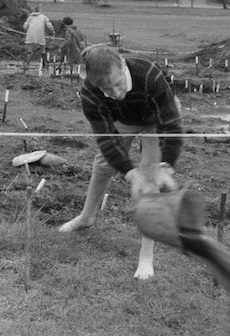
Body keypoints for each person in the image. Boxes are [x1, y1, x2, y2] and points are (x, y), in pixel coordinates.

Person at [58, 45, 182, 279]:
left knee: (148, 180)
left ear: (123, 66)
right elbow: (107, 141)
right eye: (107, 88)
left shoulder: (149, 75)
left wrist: (168, 162)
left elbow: (171, 122)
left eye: (118, 83)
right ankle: (86, 218)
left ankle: (146, 257)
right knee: (103, 164)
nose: (115, 92)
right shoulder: (90, 93)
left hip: (156, 119)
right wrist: (127, 171)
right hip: (124, 119)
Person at [22, 5, 53, 69]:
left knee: (30, 50)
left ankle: (27, 65)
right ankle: (45, 65)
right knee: (43, 49)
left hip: (30, 35)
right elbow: (49, 26)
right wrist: (52, 30)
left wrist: (27, 30)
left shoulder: (30, 17)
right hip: (40, 35)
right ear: (40, 10)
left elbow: (25, 26)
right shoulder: (44, 17)